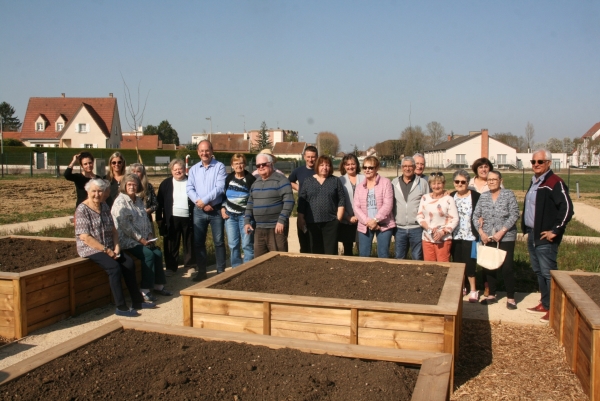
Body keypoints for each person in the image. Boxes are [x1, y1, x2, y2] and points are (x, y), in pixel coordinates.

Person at [75, 178, 154, 317]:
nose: (97, 194)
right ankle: (121, 307)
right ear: (88, 191)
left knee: (129, 264)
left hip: (109, 246)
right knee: (114, 268)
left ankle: (137, 301)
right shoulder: (82, 209)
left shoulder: (104, 206)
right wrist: (106, 250)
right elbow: (85, 237)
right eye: (94, 191)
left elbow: (114, 231)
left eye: (100, 191)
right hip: (91, 248)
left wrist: (116, 247)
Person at [523, 149, 574, 323]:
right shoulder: (535, 181)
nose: (536, 165)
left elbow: (567, 208)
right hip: (533, 233)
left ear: (549, 163)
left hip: (546, 236)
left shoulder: (554, 182)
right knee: (538, 271)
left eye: (540, 162)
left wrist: (556, 230)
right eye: (533, 162)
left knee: (548, 273)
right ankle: (545, 303)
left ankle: (554, 308)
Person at [112, 174, 171, 302]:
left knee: (157, 252)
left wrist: (149, 234)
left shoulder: (138, 200)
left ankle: (158, 285)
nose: (132, 187)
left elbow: (145, 218)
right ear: (124, 186)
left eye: (134, 184)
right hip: (127, 239)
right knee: (148, 254)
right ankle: (145, 290)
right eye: (129, 184)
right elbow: (125, 226)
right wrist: (140, 239)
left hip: (143, 238)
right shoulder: (120, 201)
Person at [472, 170, 520, 309]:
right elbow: (476, 216)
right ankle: (492, 294)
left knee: (507, 268)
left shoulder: (508, 194)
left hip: (506, 237)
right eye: (489, 179)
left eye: (494, 179)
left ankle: (510, 297)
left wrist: (502, 231)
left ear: (501, 181)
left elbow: (514, 214)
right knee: (489, 266)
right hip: (488, 237)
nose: (492, 181)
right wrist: (481, 232)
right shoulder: (484, 196)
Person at [187, 140, 227, 281]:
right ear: (198, 152)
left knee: (219, 241)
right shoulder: (193, 169)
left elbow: (220, 187)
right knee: (198, 242)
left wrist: (204, 200)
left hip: (215, 210)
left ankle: (220, 271)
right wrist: (201, 203)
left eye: (207, 150)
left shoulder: (220, 167)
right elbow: (189, 189)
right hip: (199, 210)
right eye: (201, 151)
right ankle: (202, 271)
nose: (204, 153)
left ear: (211, 151)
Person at [244, 153, 294, 257]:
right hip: (259, 229)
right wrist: (247, 221)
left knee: (279, 260)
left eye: (264, 164)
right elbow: (250, 203)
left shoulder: (281, 180)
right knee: (259, 261)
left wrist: (281, 220)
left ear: (271, 164)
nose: (261, 167)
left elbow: (289, 201)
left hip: (276, 228)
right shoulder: (255, 183)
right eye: (258, 165)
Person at [298, 156, 345, 255]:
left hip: (330, 223)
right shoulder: (308, 181)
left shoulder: (335, 181)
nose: (325, 167)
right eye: (322, 165)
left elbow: (341, 200)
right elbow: (302, 201)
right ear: (317, 166)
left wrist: (338, 220)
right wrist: (301, 217)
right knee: (315, 252)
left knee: (330, 252)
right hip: (312, 223)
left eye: (327, 165)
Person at [156, 159, 196, 275]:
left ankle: (190, 265)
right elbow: (160, 203)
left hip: (188, 217)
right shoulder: (166, 184)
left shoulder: (191, 181)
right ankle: (171, 267)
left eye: (180, 169)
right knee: (171, 242)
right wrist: (159, 220)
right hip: (172, 218)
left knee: (189, 241)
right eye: (175, 169)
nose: (178, 171)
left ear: (184, 169)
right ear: (171, 171)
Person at [353, 156, 395, 258]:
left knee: (383, 254)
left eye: (370, 167)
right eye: (365, 167)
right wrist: (368, 221)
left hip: (384, 225)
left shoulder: (386, 183)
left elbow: (388, 205)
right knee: (364, 254)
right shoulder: (359, 187)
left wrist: (375, 220)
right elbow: (356, 207)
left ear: (376, 168)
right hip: (365, 225)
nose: (367, 170)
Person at [450, 169, 481, 302]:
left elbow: (481, 211)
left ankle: (473, 289)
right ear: (454, 183)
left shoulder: (475, 196)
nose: (460, 184)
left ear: (468, 182)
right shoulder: (451, 196)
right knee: (457, 263)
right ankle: (461, 287)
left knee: (470, 264)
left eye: (463, 181)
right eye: (457, 181)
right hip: (455, 235)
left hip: (470, 235)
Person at [391, 156, 430, 260]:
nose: (407, 169)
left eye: (410, 166)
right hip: (400, 228)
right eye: (405, 166)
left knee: (417, 257)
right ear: (401, 167)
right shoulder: (394, 183)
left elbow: (428, 204)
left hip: (417, 228)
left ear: (414, 167)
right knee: (399, 257)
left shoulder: (422, 183)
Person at [222, 154, 256, 267]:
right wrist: (223, 208)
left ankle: (248, 268)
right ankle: (236, 268)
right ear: (232, 165)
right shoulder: (229, 178)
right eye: (236, 163)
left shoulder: (250, 179)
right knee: (233, 244)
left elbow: (254, 198)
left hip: (245, 218)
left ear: (245, 164)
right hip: (230, 217)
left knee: (247, 244)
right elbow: (224, 196)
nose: (239, 165)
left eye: (241, 163)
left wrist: (249, 216)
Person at [417, 172, 459, 262]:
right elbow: (419, 216)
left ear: (443, 184)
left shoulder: (448, 199)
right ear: (430, 184)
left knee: (442, 266)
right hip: (427, 238)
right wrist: (427, 228)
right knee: (429, 266)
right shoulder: (425, 198)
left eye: (439, 183)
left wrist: (442, 232)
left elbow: (455, 219)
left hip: (443, 239)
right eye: (433, 183)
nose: (436, 186)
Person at [289, 145, 318, 253]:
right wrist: (298, 187)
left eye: (313, 157)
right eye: (308, 157)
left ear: (317, 157)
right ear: (304, 157)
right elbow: (290, 181)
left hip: (317, 209)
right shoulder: (298, 171)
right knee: (303, 239)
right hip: (303, 208)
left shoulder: (320, 170)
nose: (310, 159)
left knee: (315, 241)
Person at [338, 154, 365, 256]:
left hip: (362, 220)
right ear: (344, 166)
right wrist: (347, 217)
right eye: (347, 164)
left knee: (362, 249)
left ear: (357, 165)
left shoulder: (364, 179)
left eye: (353, 164)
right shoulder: (340, 181)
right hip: (346, 221)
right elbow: (338, 202)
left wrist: (360, 216)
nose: (350, 167)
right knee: (348, 250)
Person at [130, 163, 158, 229]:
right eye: (133, 171)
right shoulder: (126, 187)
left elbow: (155, 204)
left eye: (138, 171)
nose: (135, 174)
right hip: (131, 223)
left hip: (146, 221)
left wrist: (147, 211)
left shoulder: (148, 187)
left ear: (142, 173)